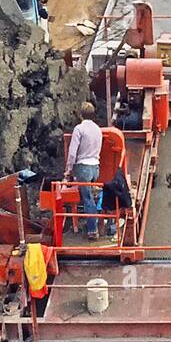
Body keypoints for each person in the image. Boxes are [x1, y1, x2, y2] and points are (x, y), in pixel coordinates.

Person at [64, 102, 102, 239]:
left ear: (81, 114)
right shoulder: (98, 129)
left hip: (83, 168)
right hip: (95, 168)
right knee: (91, 195)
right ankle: (96, 221)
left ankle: (92, 230)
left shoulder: (79, 129)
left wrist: (68, 169)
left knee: (87, 199)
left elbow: (72, 152)